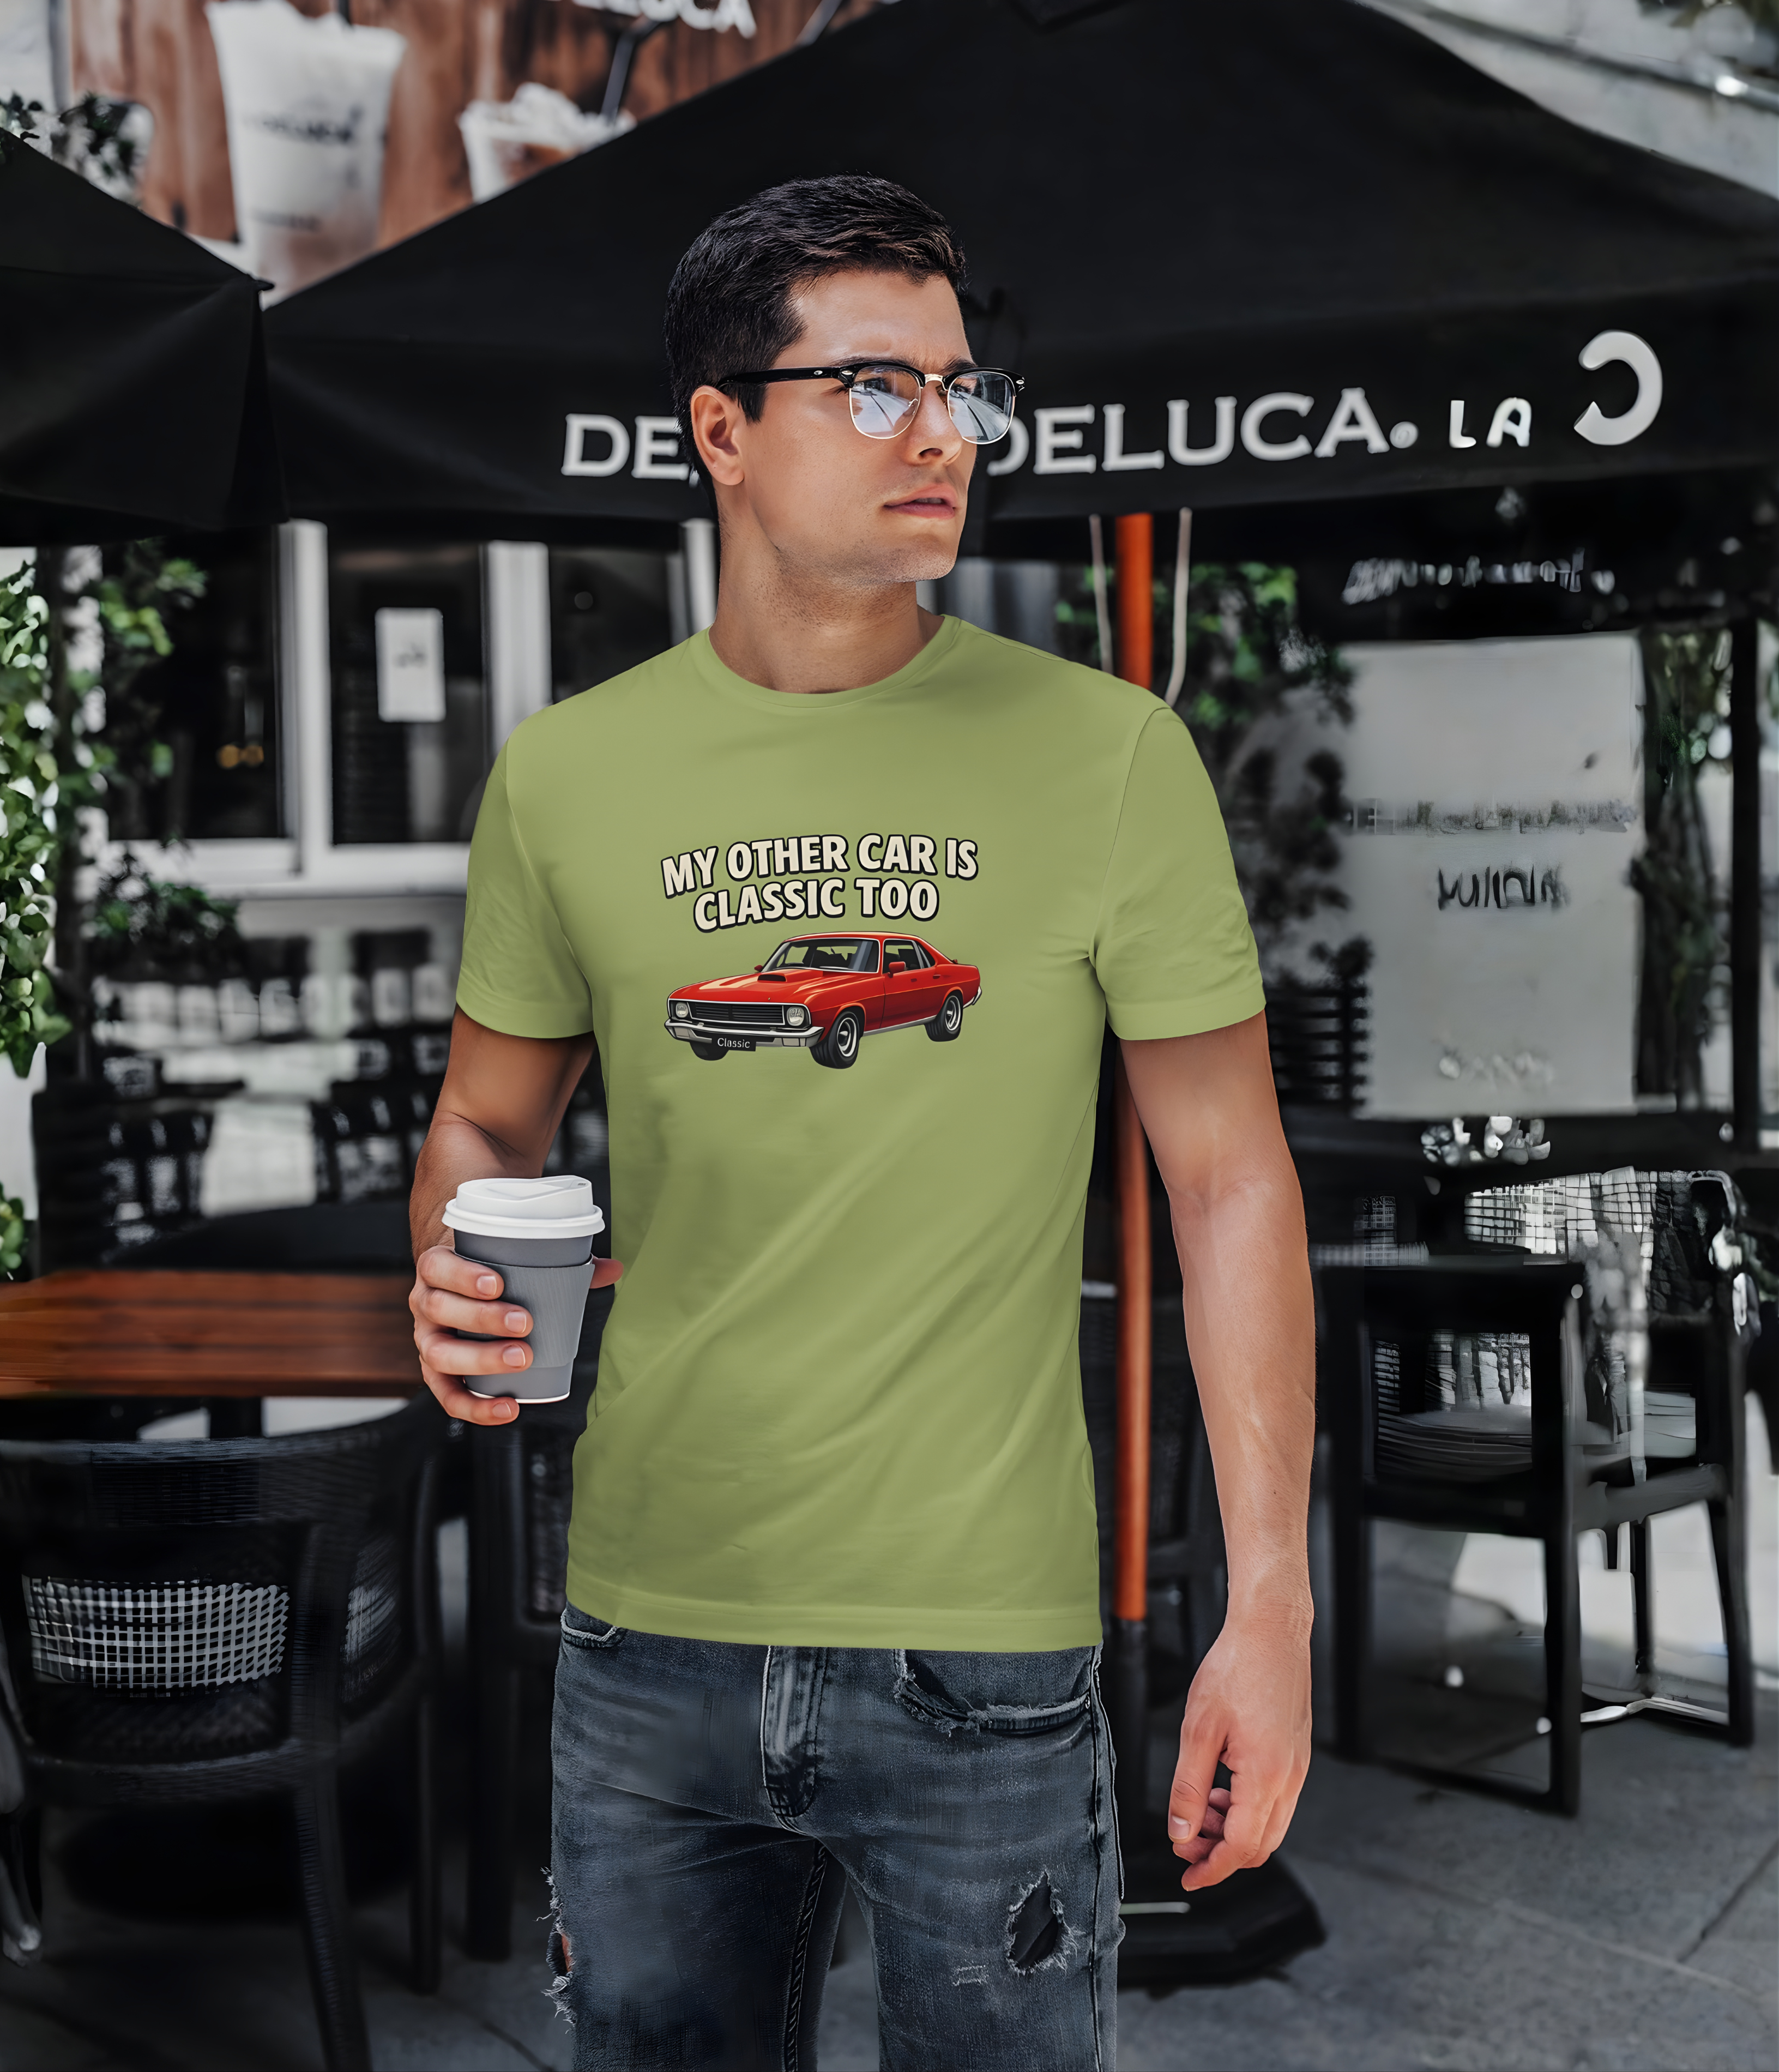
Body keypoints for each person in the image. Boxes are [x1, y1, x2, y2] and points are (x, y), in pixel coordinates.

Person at [408, 176, 1313, 2071]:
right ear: (723, 431)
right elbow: (484, 1126)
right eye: (878, 387)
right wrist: (455, 1279)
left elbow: (1230, 1183)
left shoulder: (1111, 756)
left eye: (962, 387)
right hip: (648, 1634)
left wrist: (1271, 1601)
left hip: (983, 1647)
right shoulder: (566, 777)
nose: (945, 434)